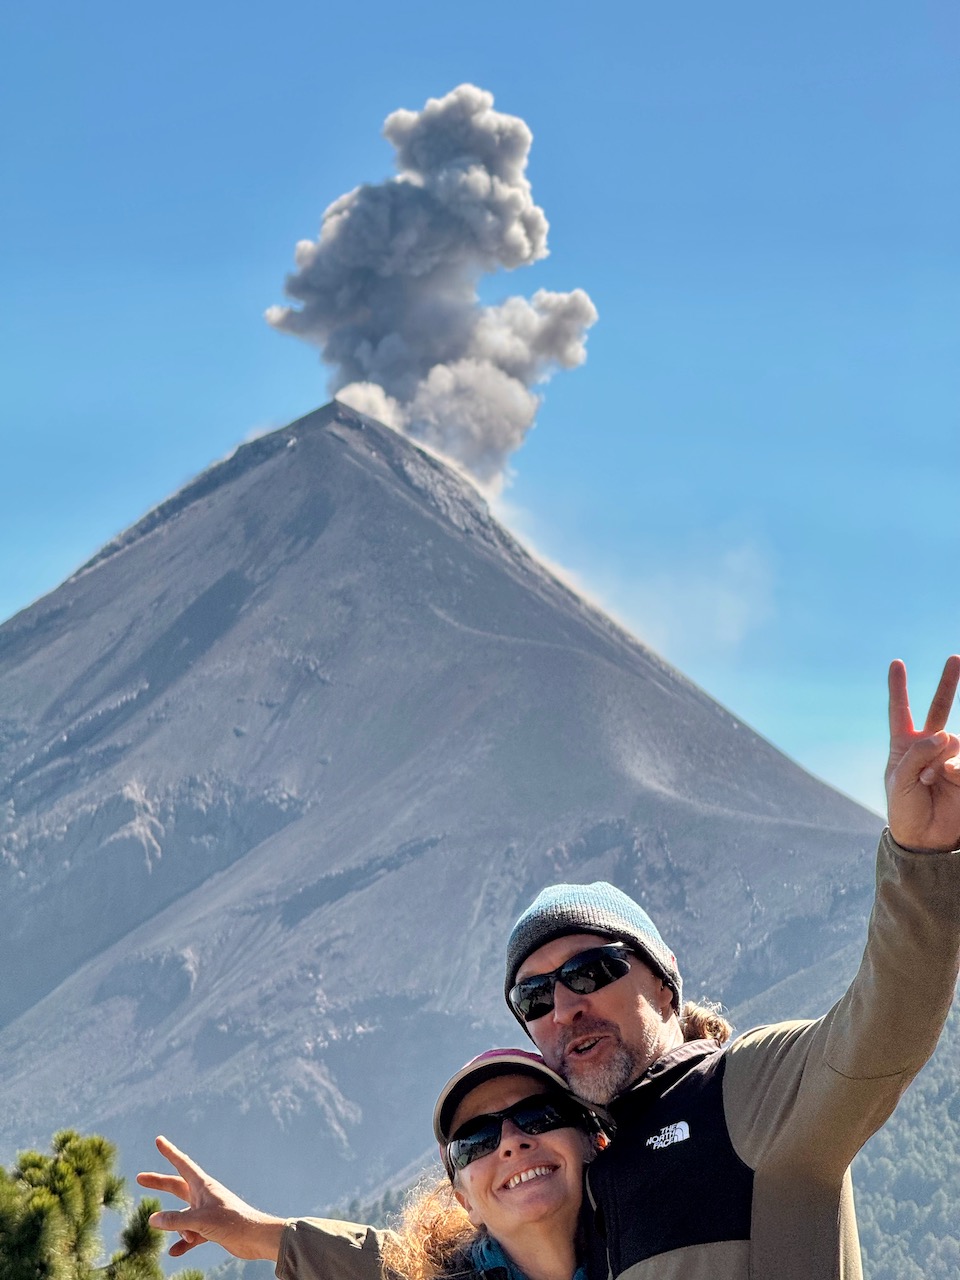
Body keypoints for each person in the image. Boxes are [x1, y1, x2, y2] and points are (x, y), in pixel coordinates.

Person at [502, 656, 960, 1280]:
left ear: (664, 984)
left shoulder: (747, 1090)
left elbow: (884, 1030)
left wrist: (922, 857)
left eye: (589, 971)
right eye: (533, 998)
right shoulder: (574, 1181)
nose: (563, 1008)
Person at [138, 1049, 610, 1280]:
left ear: (596, 1141)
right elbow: (371, 1261)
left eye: (538, 1115)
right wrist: (254, 1231)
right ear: (465, 1201)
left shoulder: (653, 1245)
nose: (510, 1142)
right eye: (476, 1140)